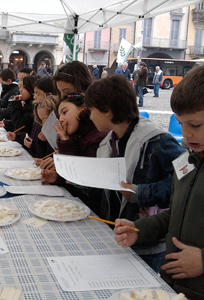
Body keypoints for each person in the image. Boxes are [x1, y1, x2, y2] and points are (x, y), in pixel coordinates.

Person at [114, 66, 204, 299]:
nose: (185, 134)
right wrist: (139, 229)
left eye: (195, 125)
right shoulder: (188, 160)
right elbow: (175, 214)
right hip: (172, 284)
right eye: (180, 123)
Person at [85, 74, 185, 272]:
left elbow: (184, 180)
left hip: (147, 243)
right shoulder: (108, 142)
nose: (89, 116)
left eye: (91, 110)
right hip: (118, 234)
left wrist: (141, 192)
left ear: (107, 110)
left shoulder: (157, 141)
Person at [41, 92, 108, 215]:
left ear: (83, 109)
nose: (61, 119)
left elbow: (82, 180)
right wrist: (57, 177)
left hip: (92, 210)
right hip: (78, 204)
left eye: (65, 112)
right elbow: (71, 176)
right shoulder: (77, 135)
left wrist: (66, 141)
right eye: (59, 114)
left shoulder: (96, 138)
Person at [8, 76, 56, 158]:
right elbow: (32, 135)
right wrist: (18, 137)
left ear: (48, 95)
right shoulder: (37, 110)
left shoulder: (49, 116)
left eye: (37, 93)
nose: (34, 97)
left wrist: (34, 146)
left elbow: (46, 151)